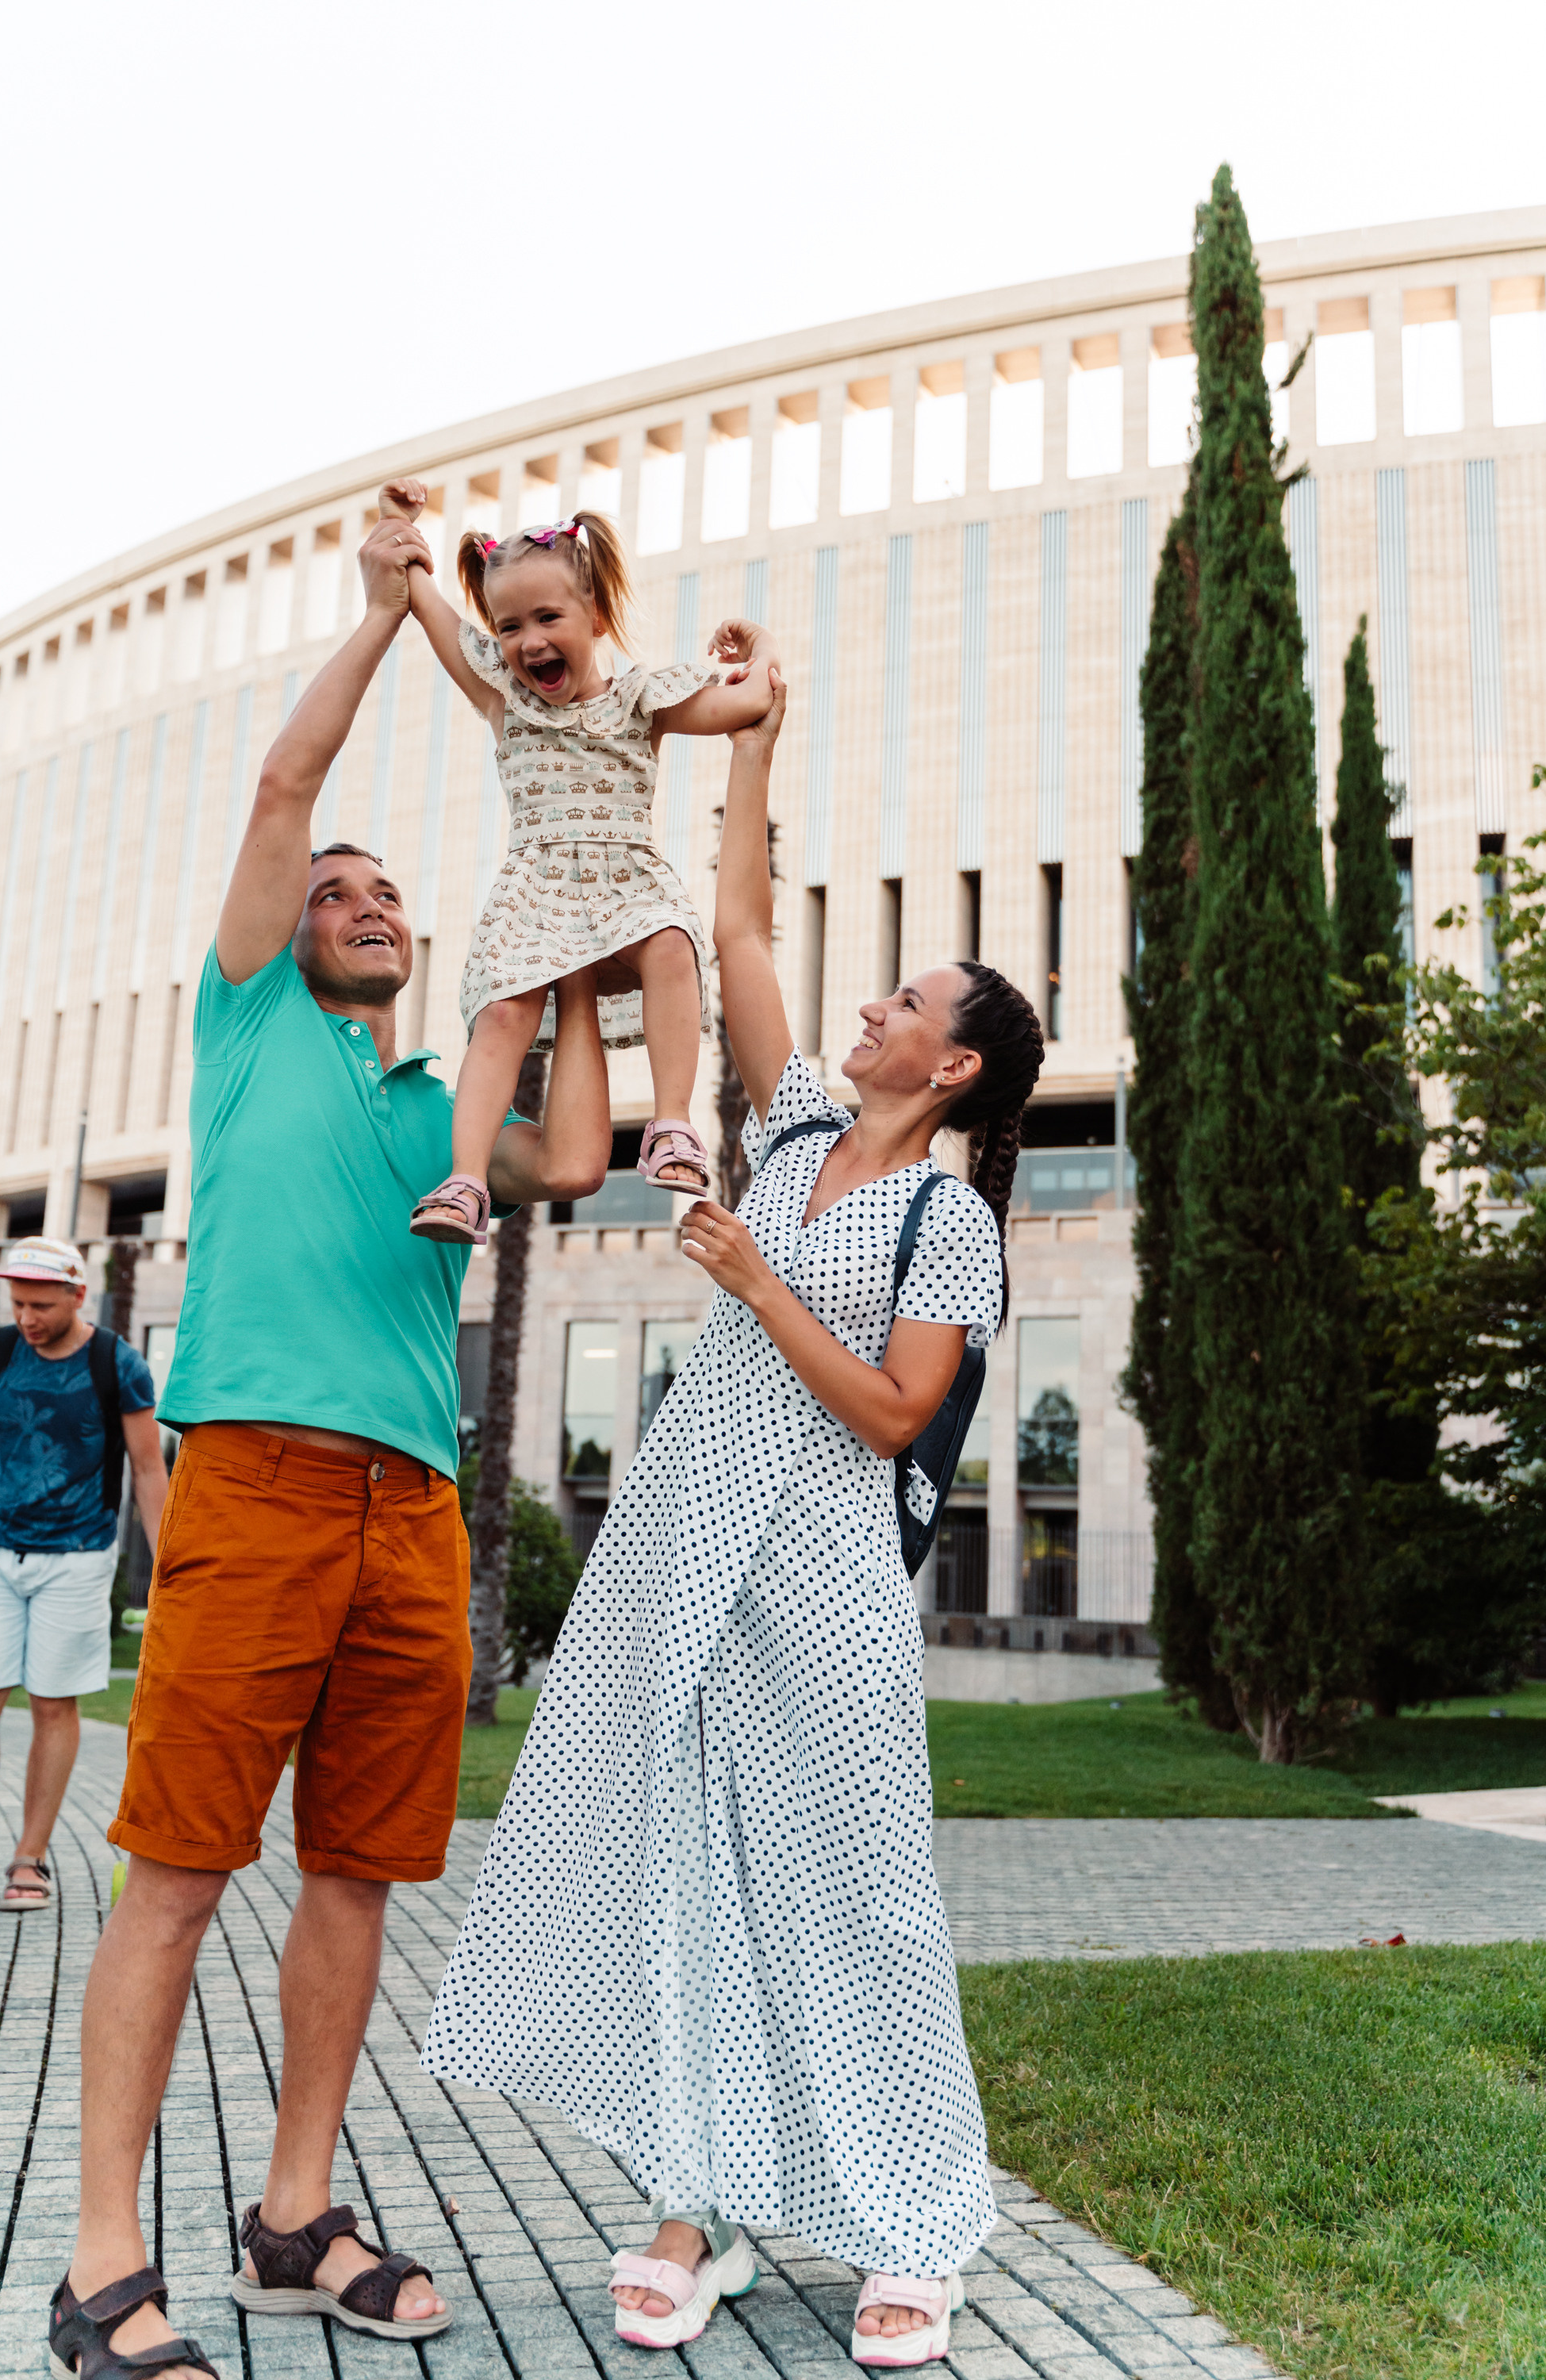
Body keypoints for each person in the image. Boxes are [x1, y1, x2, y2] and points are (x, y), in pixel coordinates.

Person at [421, 673, 1046, 2368]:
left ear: (958, 1060)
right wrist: (755, 736)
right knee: (677, 1859)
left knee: (857, 1890)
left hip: (824, 1568)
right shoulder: (783, 1128)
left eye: (906, 1001)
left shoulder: (949, 1220)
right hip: (683, 1536)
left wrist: (758, 1279)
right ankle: (688, 2209)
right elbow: (738, 924)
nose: (870, 1009)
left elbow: (899, 1416)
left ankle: (914, 2225)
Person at [49, 519, 613, 2380]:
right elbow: (292, 777)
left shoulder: (434, 1102)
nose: (369, 902)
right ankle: (101, 2260)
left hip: (415, 1511)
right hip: (262, 1486)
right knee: (183, 1870)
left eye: (389, 895)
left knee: (357, 1872)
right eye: (341, 891)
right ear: (288, 929)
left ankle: (295, 2214)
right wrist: (387, 614)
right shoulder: (246, 1027)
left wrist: (593, 952)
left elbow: (580, 1160)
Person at [373, 473, 781, 1235]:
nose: (527, 642)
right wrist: (398, 524)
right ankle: (466, 1182)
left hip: (625, 880)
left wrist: (764, 650)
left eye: (548, 617)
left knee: (670, 945)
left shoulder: (641, 700)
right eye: (508, 626)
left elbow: (749, 702)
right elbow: (423, 600)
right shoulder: (505, 697)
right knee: (503, 1014)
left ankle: (669, 1122)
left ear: (595, 615)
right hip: (537, 888)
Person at [0, 1236, 166, 1916]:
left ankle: (30, 1855)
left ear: (79, 1295)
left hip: (77, 1557)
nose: (27, 1317)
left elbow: (147, 1470)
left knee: (53, 1704)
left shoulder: (118, 1363)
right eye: (18, 1303)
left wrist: (165, 1567)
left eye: (42, 1305)